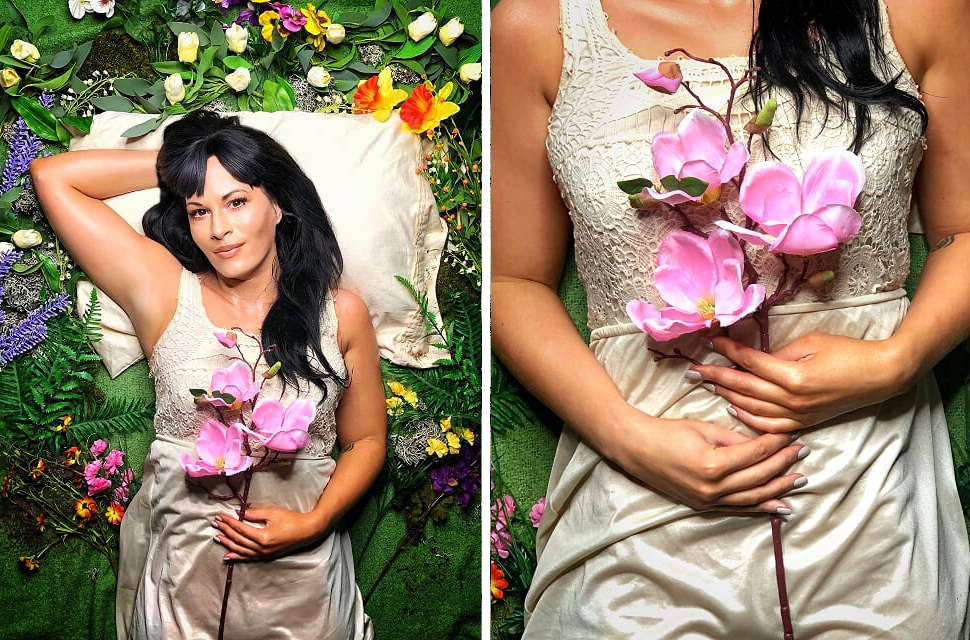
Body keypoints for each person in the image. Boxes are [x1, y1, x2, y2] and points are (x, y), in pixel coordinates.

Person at [492, 0, 970, 637]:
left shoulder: (918, 10)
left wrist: (898, 358)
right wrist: (629, 438)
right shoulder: (536, 27)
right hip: (643, 497)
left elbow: (963, 231)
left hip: (873, 496)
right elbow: (511, 280)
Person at [31, 111, 385, 639]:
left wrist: (314, 523)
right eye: (199, 211)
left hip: (302, 577)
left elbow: (365, 441)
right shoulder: (164, 291)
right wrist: (187, 163)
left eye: (236, 201)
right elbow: (52, 176)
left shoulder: (340, 313)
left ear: (279, 202)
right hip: (182, 579)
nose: (219, 229)